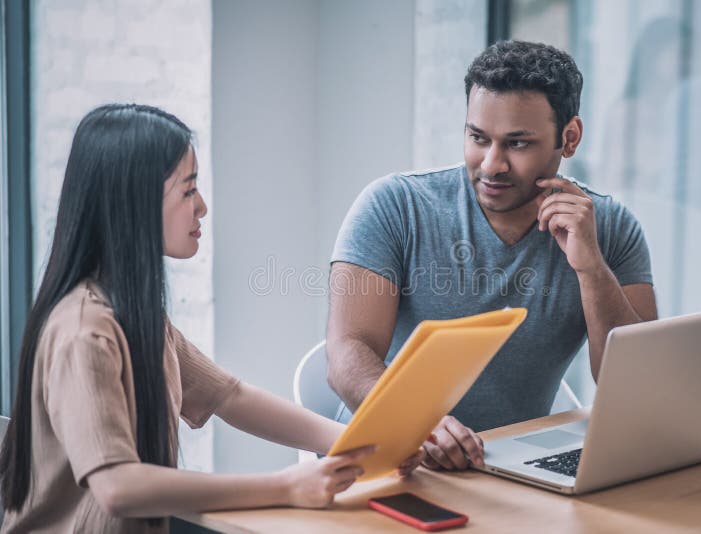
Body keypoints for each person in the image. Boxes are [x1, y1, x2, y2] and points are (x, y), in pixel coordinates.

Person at [0, 104, 420, 533]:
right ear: (134, 204)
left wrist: (362, 445)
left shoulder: (134, 315)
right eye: (187, 190)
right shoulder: (83, 332)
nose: (201, 207)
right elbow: (117, 486)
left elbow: (229, 396)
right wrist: (284, 486)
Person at [326, 41, 658, 473]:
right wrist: (414, 425)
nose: (491, 165)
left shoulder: (610, 228)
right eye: (477, 138)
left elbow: (637, 388)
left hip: (513, 469)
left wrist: (591, 267)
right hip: (390, 461)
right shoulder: (395, 205)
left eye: (517, 144)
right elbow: (347, 352)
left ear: (569, 137)